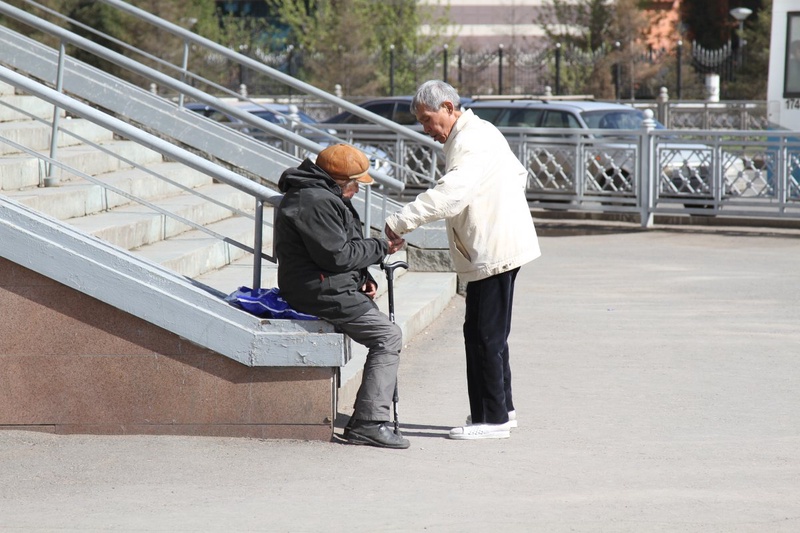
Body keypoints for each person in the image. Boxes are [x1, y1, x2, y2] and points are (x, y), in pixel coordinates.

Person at [384, 80, 541, 440]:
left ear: (448, 108)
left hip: (493, 248)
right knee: (486, 333)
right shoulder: (477, 132)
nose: (426, 128)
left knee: (484, 334)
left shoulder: (469, 140)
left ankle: (493, 419)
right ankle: (502, 411)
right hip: (495, 243)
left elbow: (451, 195)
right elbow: (518, 174)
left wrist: (399, 221)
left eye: (428, 118)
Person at [274, 143, 409, 449]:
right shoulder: (314, 201)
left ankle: (370, 418)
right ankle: (368, 423)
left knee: (386, 335)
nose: (358, 191)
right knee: (387, 337)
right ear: (340, 181)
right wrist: (381, 248)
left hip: (327, 283)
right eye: (356, 184)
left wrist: (363, 277)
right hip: (317, 289)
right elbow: (336, 256)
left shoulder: (322, 195)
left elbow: (339, 248)